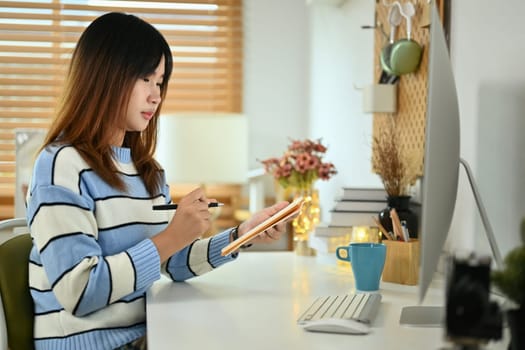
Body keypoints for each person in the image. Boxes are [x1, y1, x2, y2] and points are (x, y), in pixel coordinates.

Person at [26, 12, 289, 350]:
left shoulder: (147, 172)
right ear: (105, 76)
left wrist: (242, 234)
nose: (156, 95)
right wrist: (171, 236)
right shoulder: (61, 164)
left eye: (160, 81)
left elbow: (173, 262)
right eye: (145, 78)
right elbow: (80, 290)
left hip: (151, 337)